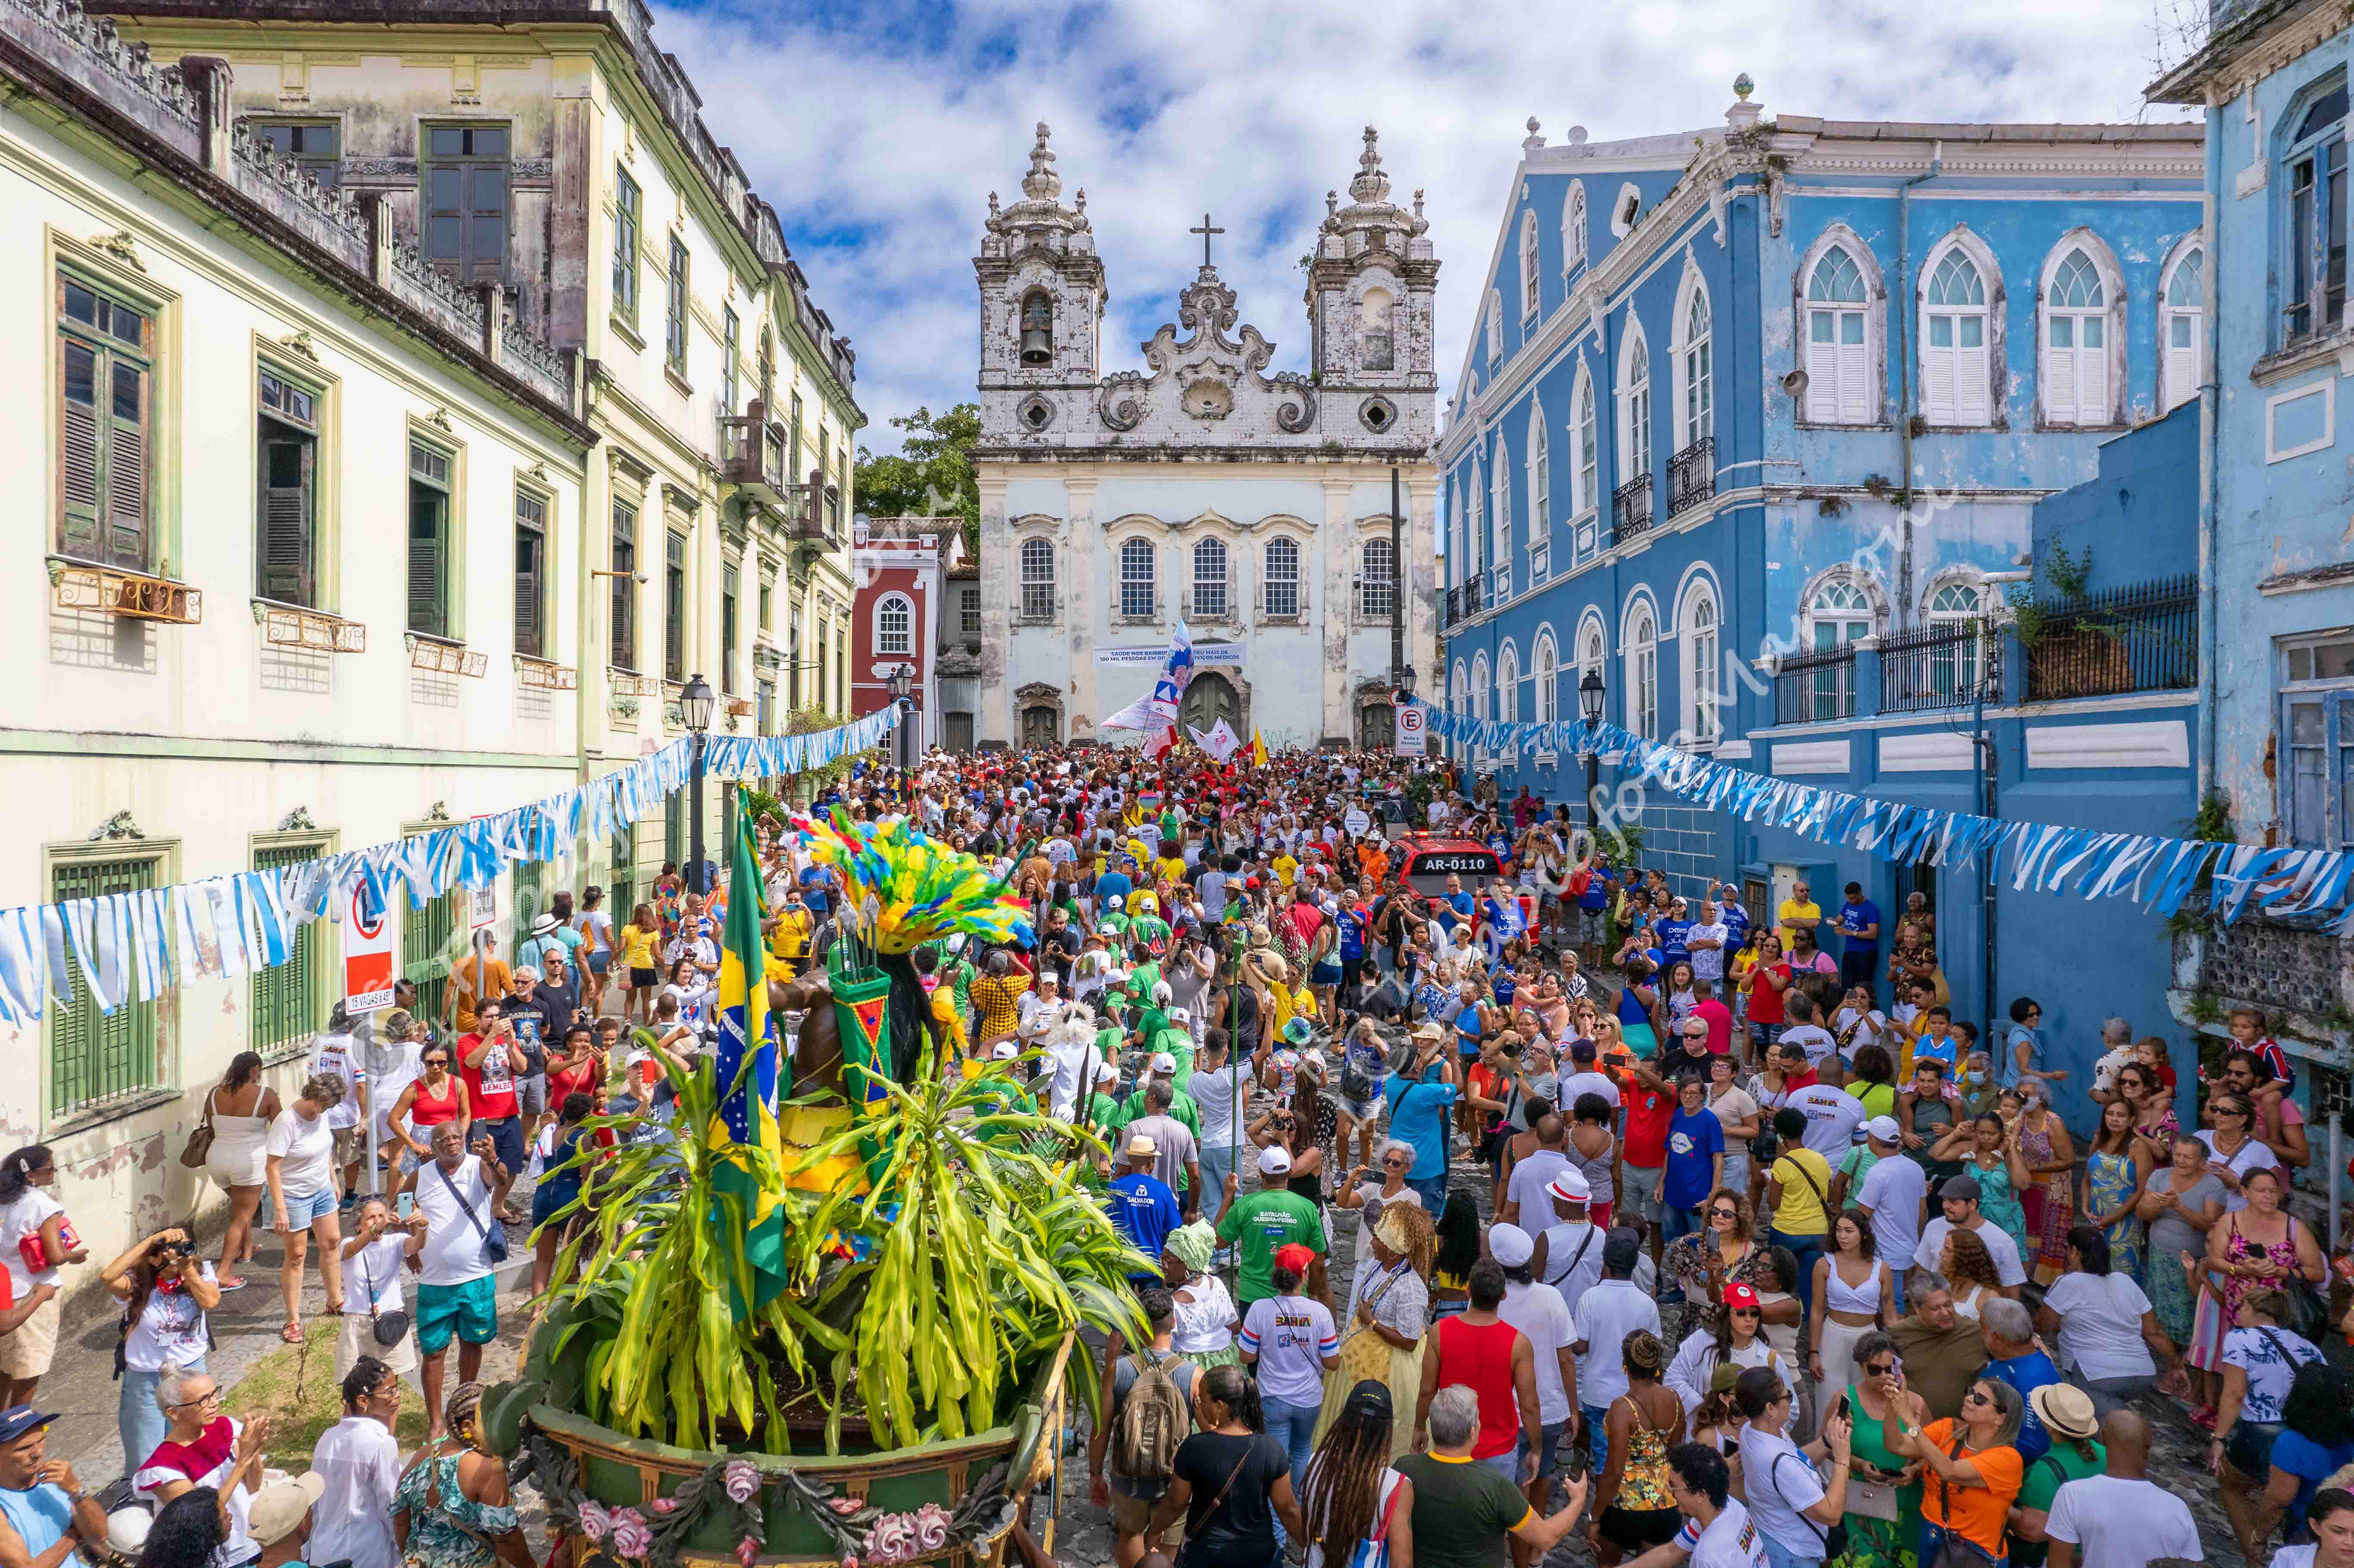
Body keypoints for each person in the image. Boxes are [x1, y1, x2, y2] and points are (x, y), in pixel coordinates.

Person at [1396, 1383, 1590, 1568]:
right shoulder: (1495, 1485)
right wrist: (1578, 1500)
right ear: (1473, 1433)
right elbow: (1546, 1537)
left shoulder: (1403, 1469)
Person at [2194, 1165, 2326, 1428]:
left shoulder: (2293, 1227)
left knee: (2274, 1366)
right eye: (2260, 1190)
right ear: (2244, 1192)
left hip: (2281, 1313)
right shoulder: (2229, 1222)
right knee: (2243, 1364)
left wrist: (2280, 1270)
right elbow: (2214, 1260)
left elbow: (2317, 1272)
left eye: (2273, 1191)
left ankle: (2276, 1418)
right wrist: (2241, 1269)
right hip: (2241, 1310)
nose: (2268, 1196)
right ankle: (2239, 1418)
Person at [1142, 1363, 1301, 1568]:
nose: (1197, 1403)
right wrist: (1309, 1545)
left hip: (1206, 1556)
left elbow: (1176, 1503)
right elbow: (1288, 1509)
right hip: (1259, 1556)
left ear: (1220, 1406)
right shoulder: (1272, 1450)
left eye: (1202, 1398)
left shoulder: (1193, 1449)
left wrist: (1154, 1531)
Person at [413, 1122, 514, 1442]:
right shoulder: (421, 1175)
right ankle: (435, 1423)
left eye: (457, 1137)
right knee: (434, 1352)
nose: (451, 1143)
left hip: (476, 1276)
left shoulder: (478, 1166)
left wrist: (494, 1158)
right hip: (434, 1280)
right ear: (433, 1145)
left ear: (464, 1140)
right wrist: (410, 1244)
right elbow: (402, 1204)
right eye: (443, 1139)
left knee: (473, 1343)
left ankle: (461, 1407)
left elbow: (500, 1180)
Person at [1088, 1288, 1202, 1568]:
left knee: (1130, 1535)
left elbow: (1101, 1426)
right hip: (1175, 1480)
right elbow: (1208, 1432)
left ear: (1137, 1325)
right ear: (1173, 1323)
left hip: (1130, 1476)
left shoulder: (1121, 1370)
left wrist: (1095, 1474)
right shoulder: (1193, 1375)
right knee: (1169, 1548)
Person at [1315, 1201, 1433, 1458]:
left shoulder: (1410, 1289)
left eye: (1378, 1239)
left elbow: (1410, 1341)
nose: (1372, 1243)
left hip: (1391, 1368)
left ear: (1392, 1250)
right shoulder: (1378, 1267)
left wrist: (1372, 1323)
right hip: (1360, 1356)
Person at [99, 1227, 219, 1475]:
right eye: (171, 1249)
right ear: (155, 1257)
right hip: (147, 1377)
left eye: (187, 1245)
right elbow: (107, 1278)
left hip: (191, 1372)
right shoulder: (138, 1282)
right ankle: (145, 1500)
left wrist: (188, 1270)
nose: (182, 1252)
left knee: (192, 1442)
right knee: (146, 1452)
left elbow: (211, 1301)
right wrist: (151, 1241)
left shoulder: (201, 1271)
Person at [1490, 1223, 1580, 1542]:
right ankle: (1535, 1549)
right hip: (1549, 1408)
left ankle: (1514, 1548)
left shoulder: (1492, 1302)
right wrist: (1574, 1409)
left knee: (1512, 1486)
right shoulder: (1551, 1297)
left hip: (1503, 1410)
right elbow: (1566, 1358)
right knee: (1541, 1478)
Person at [1417, 1259, 1544, 1482]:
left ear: (1468, 1291)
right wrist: (1536, 1449)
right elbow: (1529, 1407)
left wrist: (1419, 1427)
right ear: (1503, 1296)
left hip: (1450, 1445)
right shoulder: (1518, 1344)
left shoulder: (1439, 1332)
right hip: (1498, 1450)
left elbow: (1427, 1390)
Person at [2032, 1224, 2172, 1418]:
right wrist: (2177, 1365)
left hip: (2096, 1376)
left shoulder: (2069, 1282)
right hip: (2143, 1373)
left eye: (2067, 1248)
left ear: (2076, 1253)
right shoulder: (2125, 1281)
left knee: (2104, 1434)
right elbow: (2154, 1332)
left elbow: (2043, 1326)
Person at [134, 1367, 268, 1567]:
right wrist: (243, 1461)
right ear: (175, 1413)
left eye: (215, 1393)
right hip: (214, 1560)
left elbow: (254, 1486)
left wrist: (254, 1449)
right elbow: (203, 1518)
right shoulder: (163, 1467)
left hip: (252, 1543)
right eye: (203, 1400)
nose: (215, 1403)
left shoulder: (226, 1428)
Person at [390, 1382, 531, 1568]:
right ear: (467, 1426)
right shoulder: (486, 1469)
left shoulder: (421, 1455)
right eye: (493, 1422)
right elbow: (506, 1539)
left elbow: (400, 1520)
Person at [2042, 1409, 2201, 1568]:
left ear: (2103, 1439)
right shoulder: (2179, 1510)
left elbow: (2058, 1564)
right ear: (2148, 1451)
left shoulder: (2072, 1495)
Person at [1731, 1365, 1851, 1568]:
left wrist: (1828, 1440)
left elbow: (1799, 1459)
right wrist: (1842, 1459)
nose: (1791, 1401)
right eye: (1787, 1397)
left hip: (1774, 1537)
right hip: (1793, 1555)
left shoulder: (1751, 1431)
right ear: (1770, 1408)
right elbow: (1831, 1514)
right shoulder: (1778, 1461)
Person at [264, 1072, 349, 1345]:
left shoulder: (321, 1116)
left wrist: (334, 1180)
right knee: (297, 1255)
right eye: (326, 1104)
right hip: (294, 1195)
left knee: (332, 1242)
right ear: (315, 1097)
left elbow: (325, 1150)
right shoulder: (287, 1122)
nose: (327, 1110)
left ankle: (335, 1300)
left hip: (321, 1188)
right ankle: (293, 1320)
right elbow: (272, 1168)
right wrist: (280, 1209)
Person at [1586, 1330, 1685, 1566]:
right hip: (1665, 1504)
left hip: (1624, 1507)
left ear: (1625, 1365)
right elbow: (1674, 1453)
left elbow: (1613, 1472)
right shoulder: (1674, 1398)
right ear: (1657, 1365)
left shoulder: (1622, 1408)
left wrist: (1595, 1517)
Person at [1298, 1382, 1414, 1568]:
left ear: (1343, 1420)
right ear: (1387, 1429)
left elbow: (1307, 1527)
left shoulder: (1315, 1463)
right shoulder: (1396, 1487)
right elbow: (1402, 1562)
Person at [0, 1149, 82, 1405]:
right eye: (50, 1168)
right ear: (32, 1174)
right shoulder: (43, 1205)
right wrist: (75, 1256)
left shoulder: (3, 1200)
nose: (54, 1172)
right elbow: (56, 1256)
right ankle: (18, 1428)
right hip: (35, 1293)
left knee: (3, 1369)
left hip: (5, 1294)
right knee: (28, 1369)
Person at [311, 1358, 403, 1568]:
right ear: (363, 1401)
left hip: (323, 1553)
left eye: (397, 1389)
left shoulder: (327, 1439)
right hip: (366, 1555)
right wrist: (401, 1549)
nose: (396, 1396)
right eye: (389, 1391)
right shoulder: (382, 1443)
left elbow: (315, 1503)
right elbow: (390, 1506)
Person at [200, 1055, 280, 1291]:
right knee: (242, 1216)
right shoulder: (266, 1095)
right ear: (255, 1070)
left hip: (216, 1158)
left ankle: (246, 1249)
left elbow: (213, 1126)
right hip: (248, 1160)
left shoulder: (215, 1093)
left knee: (241, 1208)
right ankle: (223, 1273)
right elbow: (282, 1128)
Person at [0, 1404, 105, 1568]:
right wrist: (74, 1534)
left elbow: (99, 1536)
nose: (37, 1453)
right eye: (24, 1448)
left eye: (41, 1440)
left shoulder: (57, 1481)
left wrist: (77, 1490)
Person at [1807, 1209, 1891, 1415]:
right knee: (1830, 1401)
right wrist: (1813, 1352)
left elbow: (1890, 1315)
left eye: (1849, 1231)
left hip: (1869, 1337)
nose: (1842, 1236)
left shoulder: (1881, 1268)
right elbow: (1817, 1310)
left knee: (1866, 1401)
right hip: (1833, 1336)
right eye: (1838, 1230)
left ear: (1863, 1234)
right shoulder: (1824, 1264)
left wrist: (1895, 1352)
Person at [2008, 1382, 2103, 1558]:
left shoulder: (2045, 1470)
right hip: (2094, 1553)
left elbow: (2032, 1531)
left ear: (2048, 1426)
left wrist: (2002, 1507)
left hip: (2056, 1557)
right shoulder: (2105, 1454)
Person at [338, 1197, 424, 1382]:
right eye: (371, 1217)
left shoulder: (395, 1240)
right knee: (356, 1385)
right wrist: (381, 1224)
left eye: (381, 1215)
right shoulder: (347, 1243)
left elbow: (417, 1245)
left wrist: (422, 1225)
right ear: (358, 1225)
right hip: (358, 1323)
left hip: (391, 1321)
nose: (377, 1220)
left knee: (391, 1384)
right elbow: (352, 1250)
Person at [1886, 1274, 1989, 1421]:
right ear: (1917, 1308)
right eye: (1935, 1308)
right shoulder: (1899, 1334)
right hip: (1913, 1427)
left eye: (1948, 1305)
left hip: (1961, 1430)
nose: (1945, 1313)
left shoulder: (1977, 1333)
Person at [1761, 1110, 1832, 1316]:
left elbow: (1774, 1204)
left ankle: (1778, 1315)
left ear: (1781, 1135)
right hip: (1818, 1231)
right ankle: (1813, 1330)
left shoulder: (1782, 1165)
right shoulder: (1820, 1159)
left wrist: (1769, 1183)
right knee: (1811, 1286)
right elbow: (1827, 1194)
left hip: (1787, 1231)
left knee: (1776, 1279)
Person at [1849, 1117, 1924, 1311]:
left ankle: (1893, 1340)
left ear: (1872, 1141)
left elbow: (1862, 1215)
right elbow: (1922, 1211)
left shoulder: (1877, 1172)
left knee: (1889, 1304)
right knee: (1894, 1302)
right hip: (1908, 1247)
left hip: (1886, 1252)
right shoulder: (1915, 1168)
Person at [1975, 1297, 2060, 1464]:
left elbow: (2032, 1446)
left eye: (1981, 1329)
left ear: (1997, 1338)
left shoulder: (2032, 1380)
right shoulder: (2011, 1354)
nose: (1979, 1334)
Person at [1913, 1173, 2028, 1295]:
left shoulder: (2002, 1241)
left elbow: (2012, 1292)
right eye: (1944, 1200)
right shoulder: (1934, 1227)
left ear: (1972, 1204)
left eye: (1954, 1202)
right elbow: (1922, 1271)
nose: (1946, 1206)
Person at [1111, 1135, 1185, 1276]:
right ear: (1152, 1161)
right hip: (1151, 1267)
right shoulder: (1162, 1192)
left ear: (1130, 1159)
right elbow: (1174, 1230)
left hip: (1121, 1267)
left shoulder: (1114, 1188)